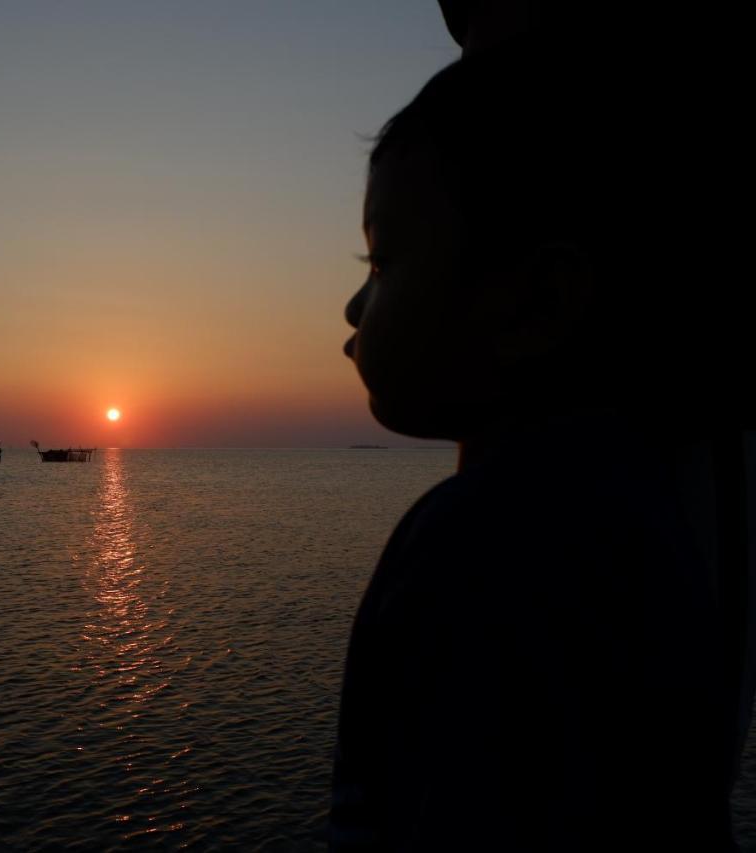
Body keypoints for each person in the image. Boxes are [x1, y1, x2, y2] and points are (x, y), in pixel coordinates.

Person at [327, 35, 741, 851]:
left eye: (380, 262)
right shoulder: (651, 519)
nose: (351, 305)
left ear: (538, 304)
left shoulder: (474, 543)